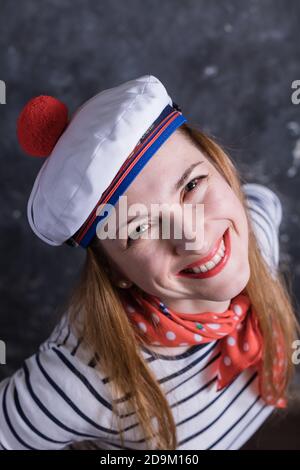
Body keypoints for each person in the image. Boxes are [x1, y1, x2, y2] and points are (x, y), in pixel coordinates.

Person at [1, 75, 298, 450]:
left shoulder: (256, 228)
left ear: (222, 168)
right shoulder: (81, 379)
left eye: (192, 185)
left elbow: (262, 201)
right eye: (139, 228)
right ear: (115, 271)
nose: (192, 237)